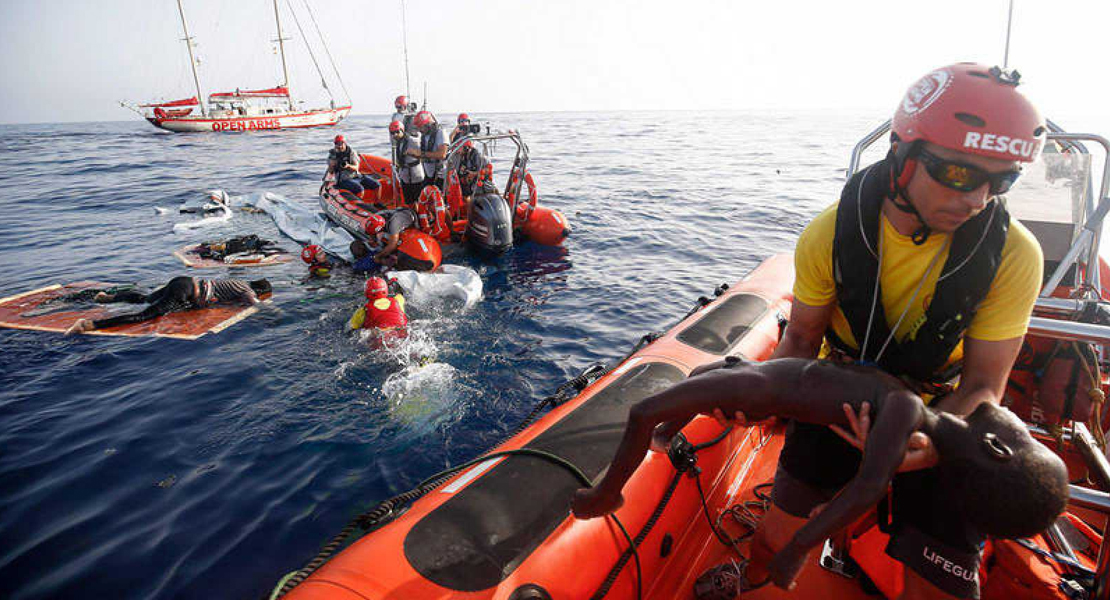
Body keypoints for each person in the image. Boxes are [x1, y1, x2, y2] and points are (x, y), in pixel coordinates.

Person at [724, 63, 1046, 599]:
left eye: (1002, 180)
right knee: (771, 548)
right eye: (961, 174)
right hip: (838, 398)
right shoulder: (829, 233)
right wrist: (759, 394)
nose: (978, 199)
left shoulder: (1014, 254)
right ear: (901, 155)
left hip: (945, 416)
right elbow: (801, 339)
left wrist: (932, 440)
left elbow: (985, 383)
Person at [570, 357, 1069, 591]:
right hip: (767, 381)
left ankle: (606, 495)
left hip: (765, 389)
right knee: (704, 378)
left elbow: (869, 486)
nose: (1013, 419)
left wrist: (797, 549)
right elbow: (868, 484)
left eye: (1019, 433)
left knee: (643, 411)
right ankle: (663, 439)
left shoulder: (903, 408)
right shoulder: (907, 411)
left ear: (999, 448)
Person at [64, 277, 270, 334]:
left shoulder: (239, 282)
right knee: (146, 316)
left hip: (183, 281)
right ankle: (89, 325)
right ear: (259, 290)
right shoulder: (248, 292)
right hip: (186, 292)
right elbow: (256, 305)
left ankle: (106, 298)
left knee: (145, 298)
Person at [390, 120, 425, 207]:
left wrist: (414, 154)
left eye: (397, 132)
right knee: (409, 201)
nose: (395, 135)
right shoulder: (398, 142)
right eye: (392, 133)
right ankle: (413, 215)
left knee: (419, 200)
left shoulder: (413, 141)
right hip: (405, 175)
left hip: (416, 175)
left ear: (402, 130)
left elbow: (424, 152)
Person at [412, 110, 449, 190]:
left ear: (428, 124)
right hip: (428, 173)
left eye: (421, 127)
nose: (419, 130)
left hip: (439, 175)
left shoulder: (441, 133)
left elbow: (442, 154)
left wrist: (421, 154)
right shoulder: (424, 136)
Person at [455, 140, 490, 214]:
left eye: (460, 149)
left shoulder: (479, 157)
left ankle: (475, 211)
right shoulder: (462, 157)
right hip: (467, 182)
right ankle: (467, 210)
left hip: (479, 182)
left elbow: (487, 170)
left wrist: (474, 174)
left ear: (466, 148)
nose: (459, 151)